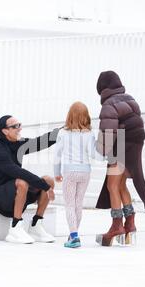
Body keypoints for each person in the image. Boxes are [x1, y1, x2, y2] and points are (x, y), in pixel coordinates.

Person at [94, 70, 145, 247]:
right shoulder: (130, 98)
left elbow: (108, 131)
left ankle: (117, 226)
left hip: (120, 145)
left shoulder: (108, 105)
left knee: (112, 185)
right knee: (120, 185)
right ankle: (130, 223)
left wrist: (102, 149)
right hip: (136, 143)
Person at [0, 115, 61, 244]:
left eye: (19, 125)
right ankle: (15, 227)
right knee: (23, 181)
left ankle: (36, 225)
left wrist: (62, 131)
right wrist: (45, 187)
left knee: (48, 180)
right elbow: (20, 173)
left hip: (16, 193)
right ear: (5, 131)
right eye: (15, 126)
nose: (19, 128)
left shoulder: (18, 144)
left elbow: (39, 142)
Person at [54, 102, 105, 248]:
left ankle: (74, 236)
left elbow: (57, 155)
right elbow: (94, 154)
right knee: (78, 204)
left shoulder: (63, 133)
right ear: (86, 116)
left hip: (70, 172)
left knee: (69, 205)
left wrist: (57, 173)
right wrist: (107, 158)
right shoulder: (89, 134)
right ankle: (73, 234)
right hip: (85, 172)